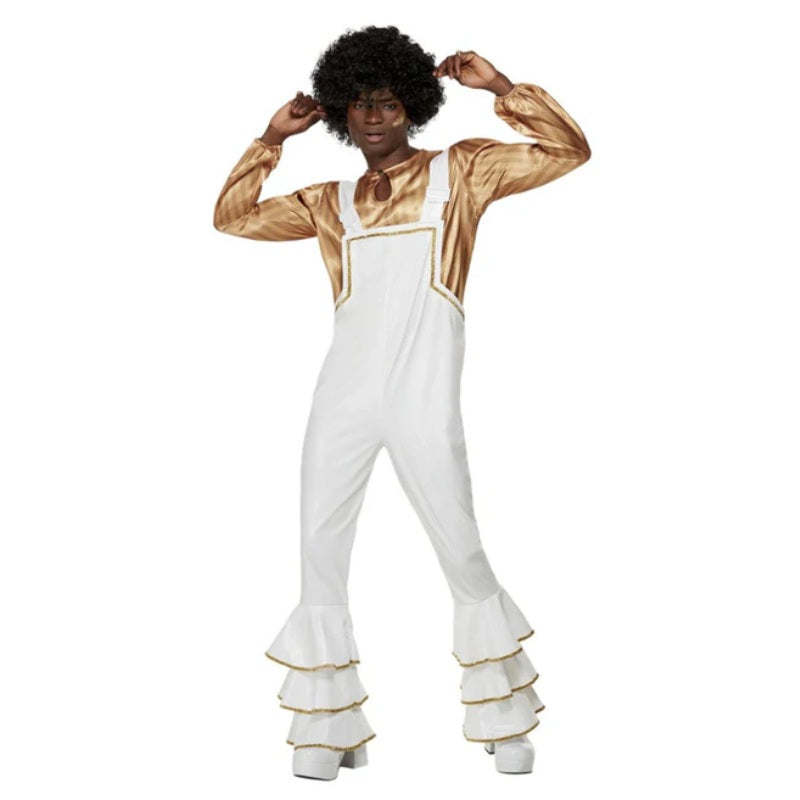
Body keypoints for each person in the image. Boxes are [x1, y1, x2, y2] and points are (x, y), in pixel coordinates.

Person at [213, 24, 590, 781]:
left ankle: (504, 716)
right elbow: (233, 217)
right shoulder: (329, 202)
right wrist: (270, 139)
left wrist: (499, 87)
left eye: (388, 103)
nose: (374, 117)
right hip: (342, 395)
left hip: (424, 391)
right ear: (340, 115)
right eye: (359, 105)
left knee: (459, 543)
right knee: (318, 548)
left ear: (412, 106)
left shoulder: (465, 171)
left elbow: (568, 150)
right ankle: (327, 730)